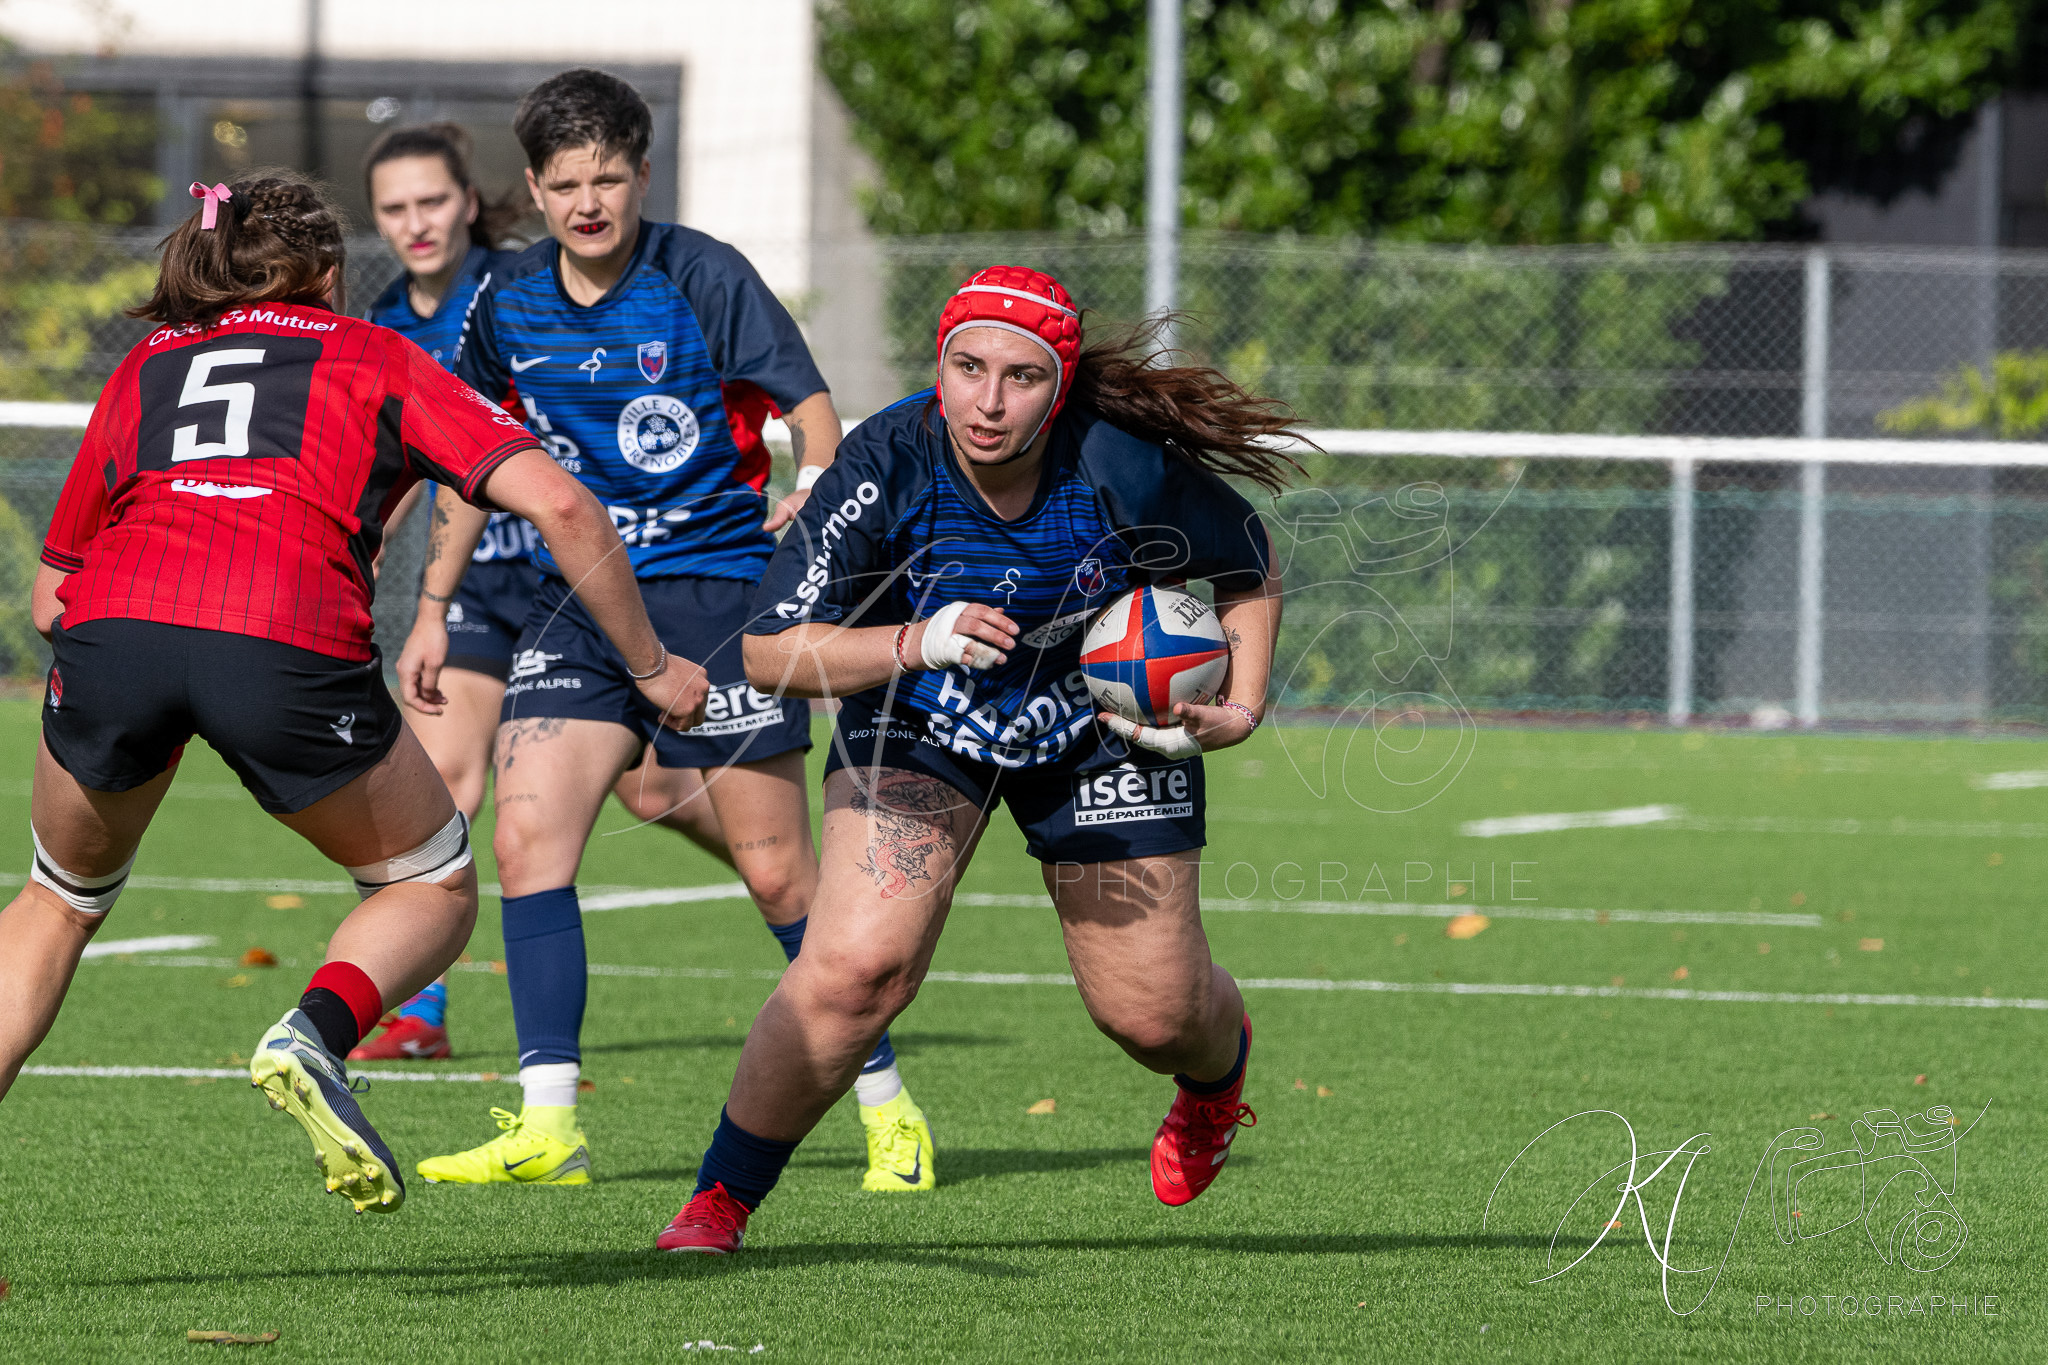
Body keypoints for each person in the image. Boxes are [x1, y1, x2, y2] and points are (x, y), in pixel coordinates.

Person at [0, 172, 705, 1216]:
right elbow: (560, 502)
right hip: (281, 642)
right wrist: (652, 666)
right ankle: (314, 1034)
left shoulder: (148, 361)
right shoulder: (374, 353)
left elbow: (54, 597)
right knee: (433, 887)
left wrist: (153, 672)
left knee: (55, 902)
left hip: (116, 634)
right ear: (329, 274)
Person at [654, 266, 1301, 1254]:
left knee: (1153, 1017)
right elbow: (767, 653)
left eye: (1020, 377)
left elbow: (1245, 562)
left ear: (1060, 384)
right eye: (967, 368)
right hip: (917, 719)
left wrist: (1244, 703)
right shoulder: (883, 463)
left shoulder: (1116, 462)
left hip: (1099, 731)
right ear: (939, 365)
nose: (988, 401)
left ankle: (1213, 1083)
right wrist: (917, 640)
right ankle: (719, 1201)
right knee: (854, 970)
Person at [404, 68, 934, 1191]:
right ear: (535, 192)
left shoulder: (701, 275)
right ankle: (550, 1125)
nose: (588, 202)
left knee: (778, 875)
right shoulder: (503, 302)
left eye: (608, 178)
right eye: (564, 184)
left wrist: (818, 489)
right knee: (525, 840)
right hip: (581, 602)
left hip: (715, 594)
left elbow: (809, 408)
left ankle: (887, 1105)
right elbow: (466, 458)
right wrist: (431, 608)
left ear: (643, 173)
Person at [352, 122, 736, 1062]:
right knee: (443, 779)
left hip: (586, 582)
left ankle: (797, 884)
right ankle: (421, 1013)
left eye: (433, 200)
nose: (417, 223)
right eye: (395, 209)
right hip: (486, 582)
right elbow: (403, 472)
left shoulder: (520, 286)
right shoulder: (384, 326)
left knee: (656, 792)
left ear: (472, 201)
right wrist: (358, 556)